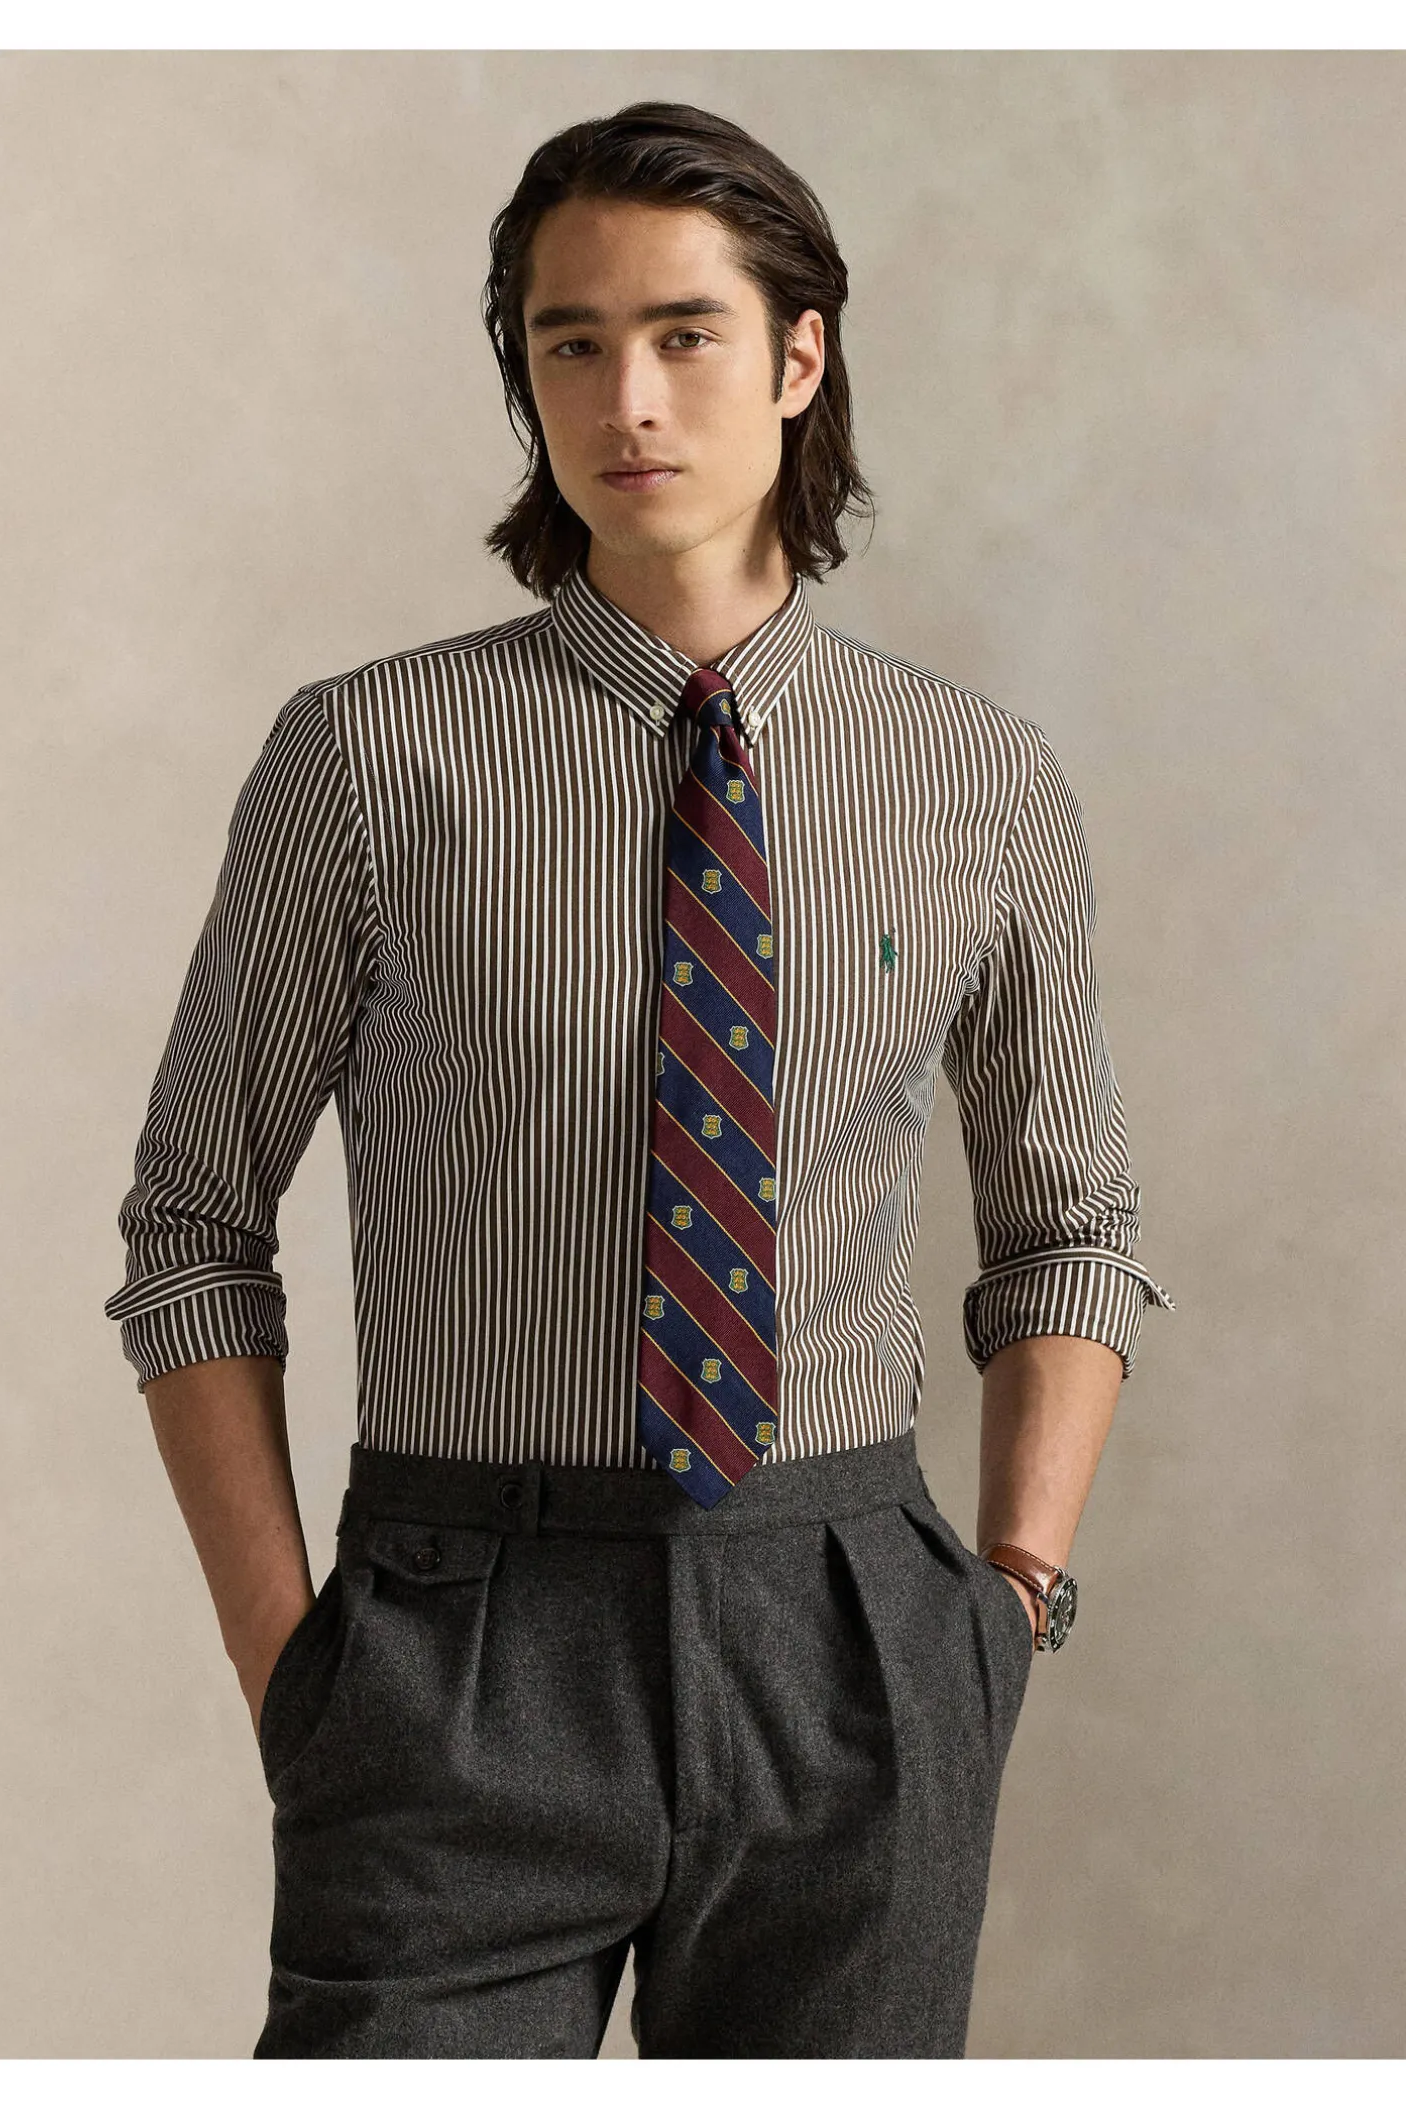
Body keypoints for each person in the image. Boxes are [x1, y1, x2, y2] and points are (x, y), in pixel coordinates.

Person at [105, 99, 1174, 2059]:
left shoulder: (975, 779)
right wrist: (296, 1675)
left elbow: (1069, 1226)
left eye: (684, 333)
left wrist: (1004, 1605)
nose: (629, 399)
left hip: (848, 1640)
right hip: (460, 1637)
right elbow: (191, 1228)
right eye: (570, 342)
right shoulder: (369, 759)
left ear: (799, 356)